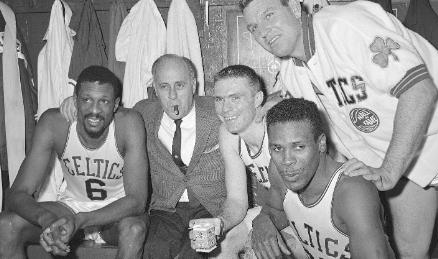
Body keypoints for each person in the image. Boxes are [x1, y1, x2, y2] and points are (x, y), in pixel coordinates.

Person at [241, 0, 438, 258]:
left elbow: (419, 91)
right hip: (406, 156)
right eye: (254, 27)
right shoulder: (292, 74)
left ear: (295, 8)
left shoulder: (344, 25)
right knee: (409, 249)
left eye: (269, 15)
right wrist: (270, 212)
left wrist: (389, 169)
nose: (263, 31)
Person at [0, 65, 148, 259]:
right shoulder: (54, 123)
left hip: (115, 213)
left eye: (104, 101)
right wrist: (46, 219)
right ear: (75, 99)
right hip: (72, 206)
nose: (94, 110)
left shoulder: (129, 124)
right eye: (86, 100)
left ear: (116, 104)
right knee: (6, 225)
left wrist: (80, 220)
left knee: (134, 229)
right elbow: (16, 194)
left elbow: (137, 201)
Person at [189, 65, 305, 258]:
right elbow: (236, 201)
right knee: (222, 247)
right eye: (219, 99)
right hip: (275, 210)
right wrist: (220, 223)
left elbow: (299, 199)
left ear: (258, 99)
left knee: (265, 251)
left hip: (313, 214)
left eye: (235, 98)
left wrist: (263, 222)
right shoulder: (228, 134)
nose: (226, 109)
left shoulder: (278, 128)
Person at [264, 98, 394, 259]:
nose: (287, 160)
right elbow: (274, 208)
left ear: (321, 144)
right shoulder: (278, 170)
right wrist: (264, 221)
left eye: (299, 147)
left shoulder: (352, 191)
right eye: (277, 148)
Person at [133, 54, 226, 259]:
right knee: (151, 251)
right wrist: (73, 104)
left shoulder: (217, 111)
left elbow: (250, 109)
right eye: (164, 87)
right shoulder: (143, 113)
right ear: (155, 89)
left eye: (180, 85)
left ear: (193, 85)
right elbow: (108, 117)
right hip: (166, 210)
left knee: (193, 254)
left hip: (209, 207)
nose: (173, 95)